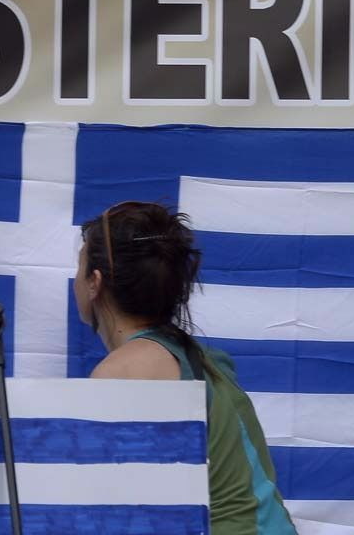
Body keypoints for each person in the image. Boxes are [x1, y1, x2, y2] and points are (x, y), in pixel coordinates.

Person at [74, 201, 296, 535]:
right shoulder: (204, 358)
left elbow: (117, 514)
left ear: (95, 281)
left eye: (79, 266)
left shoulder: (124, 371)